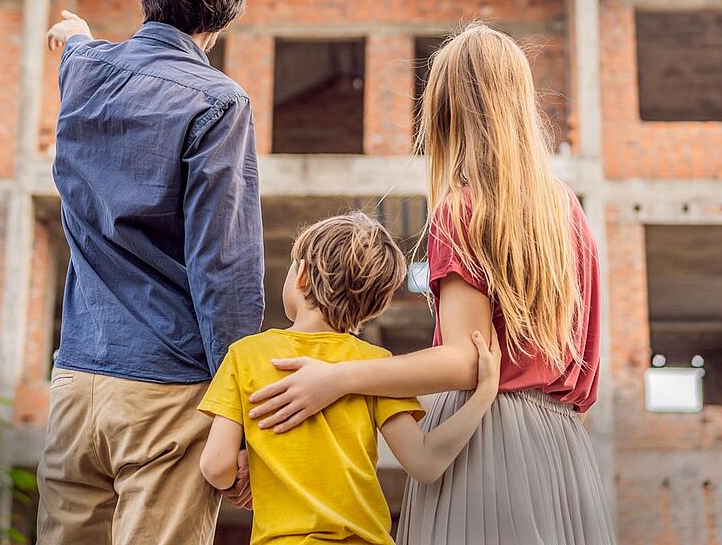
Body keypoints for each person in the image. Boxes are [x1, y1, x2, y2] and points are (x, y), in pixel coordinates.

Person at [247, 22, 615, 544]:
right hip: (560, 447)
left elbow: (466, 359)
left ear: (445, 112)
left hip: (484, 440)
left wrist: (338, 376)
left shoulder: (463, 209)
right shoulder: (568, 211)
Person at [38, 0, 265, 545]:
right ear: (222, 20)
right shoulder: (218, 103)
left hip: (76, 383)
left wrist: (74, 32)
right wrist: (236, 413)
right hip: (166, 390)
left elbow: (77, 44)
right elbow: (225, 270)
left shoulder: (84, 74)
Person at [198, 212, 501, 545]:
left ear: (300, 276)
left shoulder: (247, 355)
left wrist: (249, 474)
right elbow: (425, 461)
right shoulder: (375, 366)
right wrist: (484, 394)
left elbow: (216, 464)